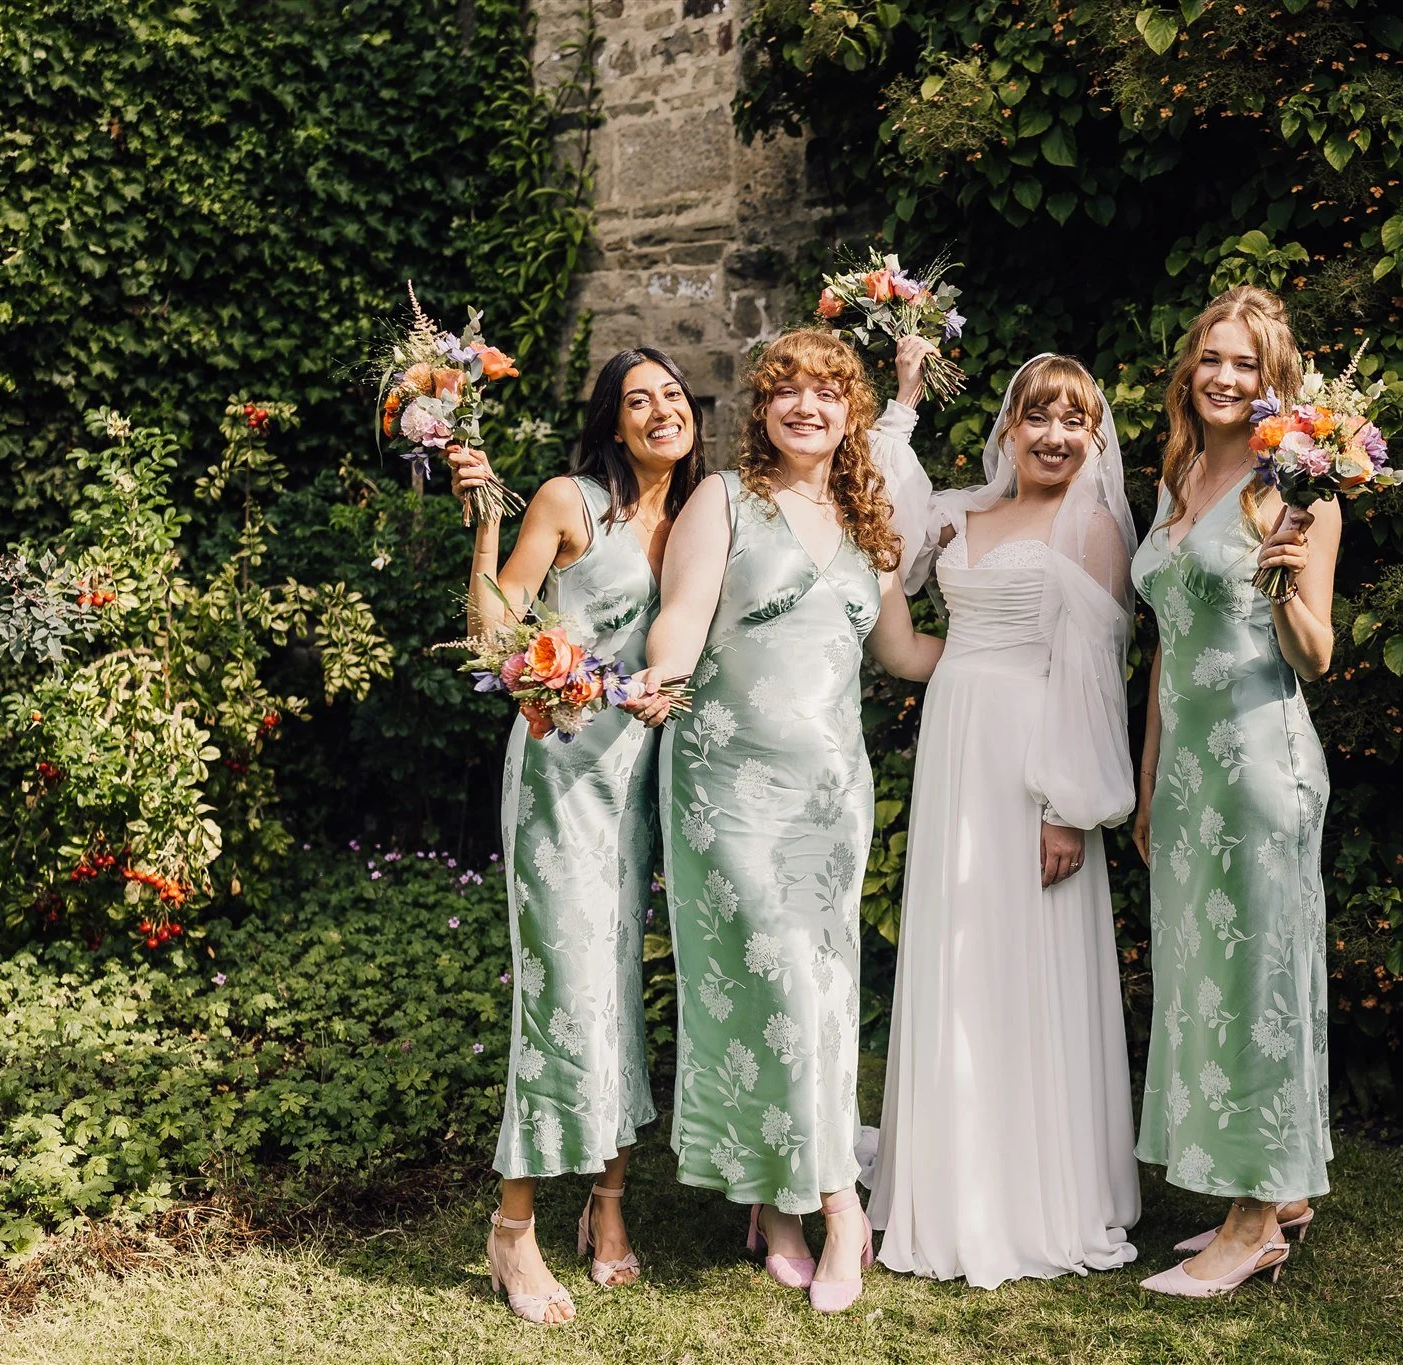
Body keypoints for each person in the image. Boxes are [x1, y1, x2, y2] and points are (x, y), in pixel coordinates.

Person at [630, 329, 943, 1314]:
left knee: (817, 990)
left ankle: (782, 1208)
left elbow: (900, 652)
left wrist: (1018, 652)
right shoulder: (725, 500)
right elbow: (680, 615)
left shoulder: (867, 519)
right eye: (785, 393)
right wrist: (659, 678)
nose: (805, 407)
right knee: (763, 983)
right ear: (762, 409)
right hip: (726, 786)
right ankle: (830, 1206)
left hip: (827, 797)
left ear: (851, 411)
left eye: (824, 392)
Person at [866, 354, 1142, 1289]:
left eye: (1076, 421)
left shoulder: (1094, 527)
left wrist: (1069, 807)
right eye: (1039, 416)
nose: (1056, 435)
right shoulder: (957, 511)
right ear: (1009, 427)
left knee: (1025, 960)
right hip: (958, 744)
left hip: (1035, 767)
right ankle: (947, 1181)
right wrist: (901, 401)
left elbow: (1095, 676)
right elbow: (881, 539)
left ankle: (1033, 1190)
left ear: (1094, 438)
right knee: (959, 952)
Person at [450, 348, 705, 1326]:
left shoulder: (695, 522)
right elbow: (494, 632)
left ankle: (607, 1204)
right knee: (560, 991)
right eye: (637, 400)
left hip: (640, 785)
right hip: (558, 776)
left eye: (673, 396)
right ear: (610, 423)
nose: (659, 410)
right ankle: (512, 1229)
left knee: (616, 988)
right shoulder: (567, 499)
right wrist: (484, 524)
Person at [1128, 286, 1340, 1297]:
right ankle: (1268, 1190)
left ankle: (1253, 1222)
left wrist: (1283, 582)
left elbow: (1315, 654)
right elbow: (1167, 653)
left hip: (1263, 767)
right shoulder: (1180, 473)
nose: (1222, 376)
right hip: (1187, 776)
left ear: (1274, 383)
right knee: (1205, 981)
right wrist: (1144, 783)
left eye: (1244, 364)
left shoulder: (1296, 488)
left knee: (1260, 984)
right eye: (1211, 357)